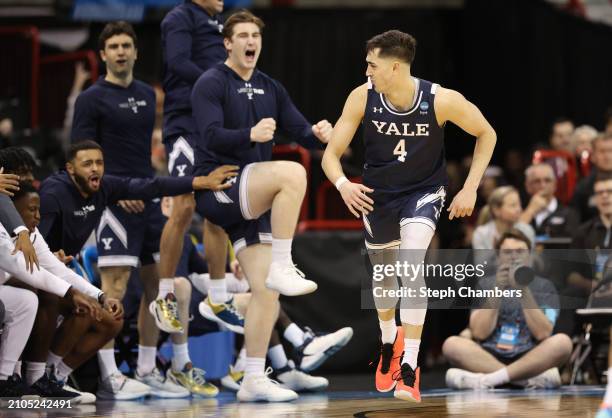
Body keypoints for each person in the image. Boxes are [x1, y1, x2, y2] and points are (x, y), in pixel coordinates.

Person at [321, 30, 496, 401]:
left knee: (411, 264)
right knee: (385, 279)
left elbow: (487, 133)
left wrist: (469, 187)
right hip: (378, 196)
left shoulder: (440, 99)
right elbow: (330, 154)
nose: (366, 70)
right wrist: (343, 185)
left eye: (372, 64)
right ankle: (390, 344)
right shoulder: (361, 96)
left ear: (395, 66)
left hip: (424, 192)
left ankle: (410, 366)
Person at [191, 10, 332, 402]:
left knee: (266, 292)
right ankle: (285, 264)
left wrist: (321, 134)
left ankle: (252, 378)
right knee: (291, 174)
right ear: (228, 43)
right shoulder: (210, 83)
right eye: (243, 35)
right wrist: (248, 134)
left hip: (248, 198)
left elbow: (300, 129)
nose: (251, 41)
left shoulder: (270, 86)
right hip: (219, 186)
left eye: (256, 35)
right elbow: (208, 136)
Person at [36, 140, 235, 399]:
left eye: (99, 163)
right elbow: (32, 241)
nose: (95, 169)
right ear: (70, 169)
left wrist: (199, 182)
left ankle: (56, 376)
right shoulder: (53, 193)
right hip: (39, 271)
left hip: (65, 269)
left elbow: (152, 186)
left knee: (108, 320)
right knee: (77, 307)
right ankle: (35, 378)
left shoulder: (104, 188)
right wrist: (49, 257)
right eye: (87, 164)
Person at [160, 0, 241, 334]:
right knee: (183, 206)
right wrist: (217, 83)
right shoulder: (179, 17)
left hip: (212, 125)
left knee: (217, 207)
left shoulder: (220, 22)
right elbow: (177, 62)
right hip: (184, 124)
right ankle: (164, 294)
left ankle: (218, 298)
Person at [9, 181, 123, 403]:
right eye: (32, 210)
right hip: (13, 294)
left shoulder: (31, 234)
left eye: (38, 210)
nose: (38, 217)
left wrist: (100, 296)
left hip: (24, 292)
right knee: (42, 292)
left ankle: (52, 377)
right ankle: (17, 376)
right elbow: (27, 272)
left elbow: (57, 270)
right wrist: (71, 293)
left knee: (104, 316)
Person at [442, 229, 572, 390]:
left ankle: (489, 380)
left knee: (563, 343)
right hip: (488, 355)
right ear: (498, 257)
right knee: (451, 344)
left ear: (530, 256)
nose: (514, 256)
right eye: (508, 252)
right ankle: (523, 381)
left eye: (520, 251)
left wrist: (524, 290)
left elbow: (543, 332)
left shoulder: (544, 286)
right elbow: (479, 333)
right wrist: (497, 288)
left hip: (530, 356)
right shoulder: (485, 285)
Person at [519, 163, 579, 238]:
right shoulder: (519, 212)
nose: (543, 185)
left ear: (555, 185)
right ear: (528, 186)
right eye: (537, 181)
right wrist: (530, 211)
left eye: (547, 180)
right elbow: (512, 238)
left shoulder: (570, 214)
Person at [572, 132, 612, 222]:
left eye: (611, 151)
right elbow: (577, 221)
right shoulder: (582, 188)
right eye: (602, 151)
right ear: (593, 156)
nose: (607, 156)